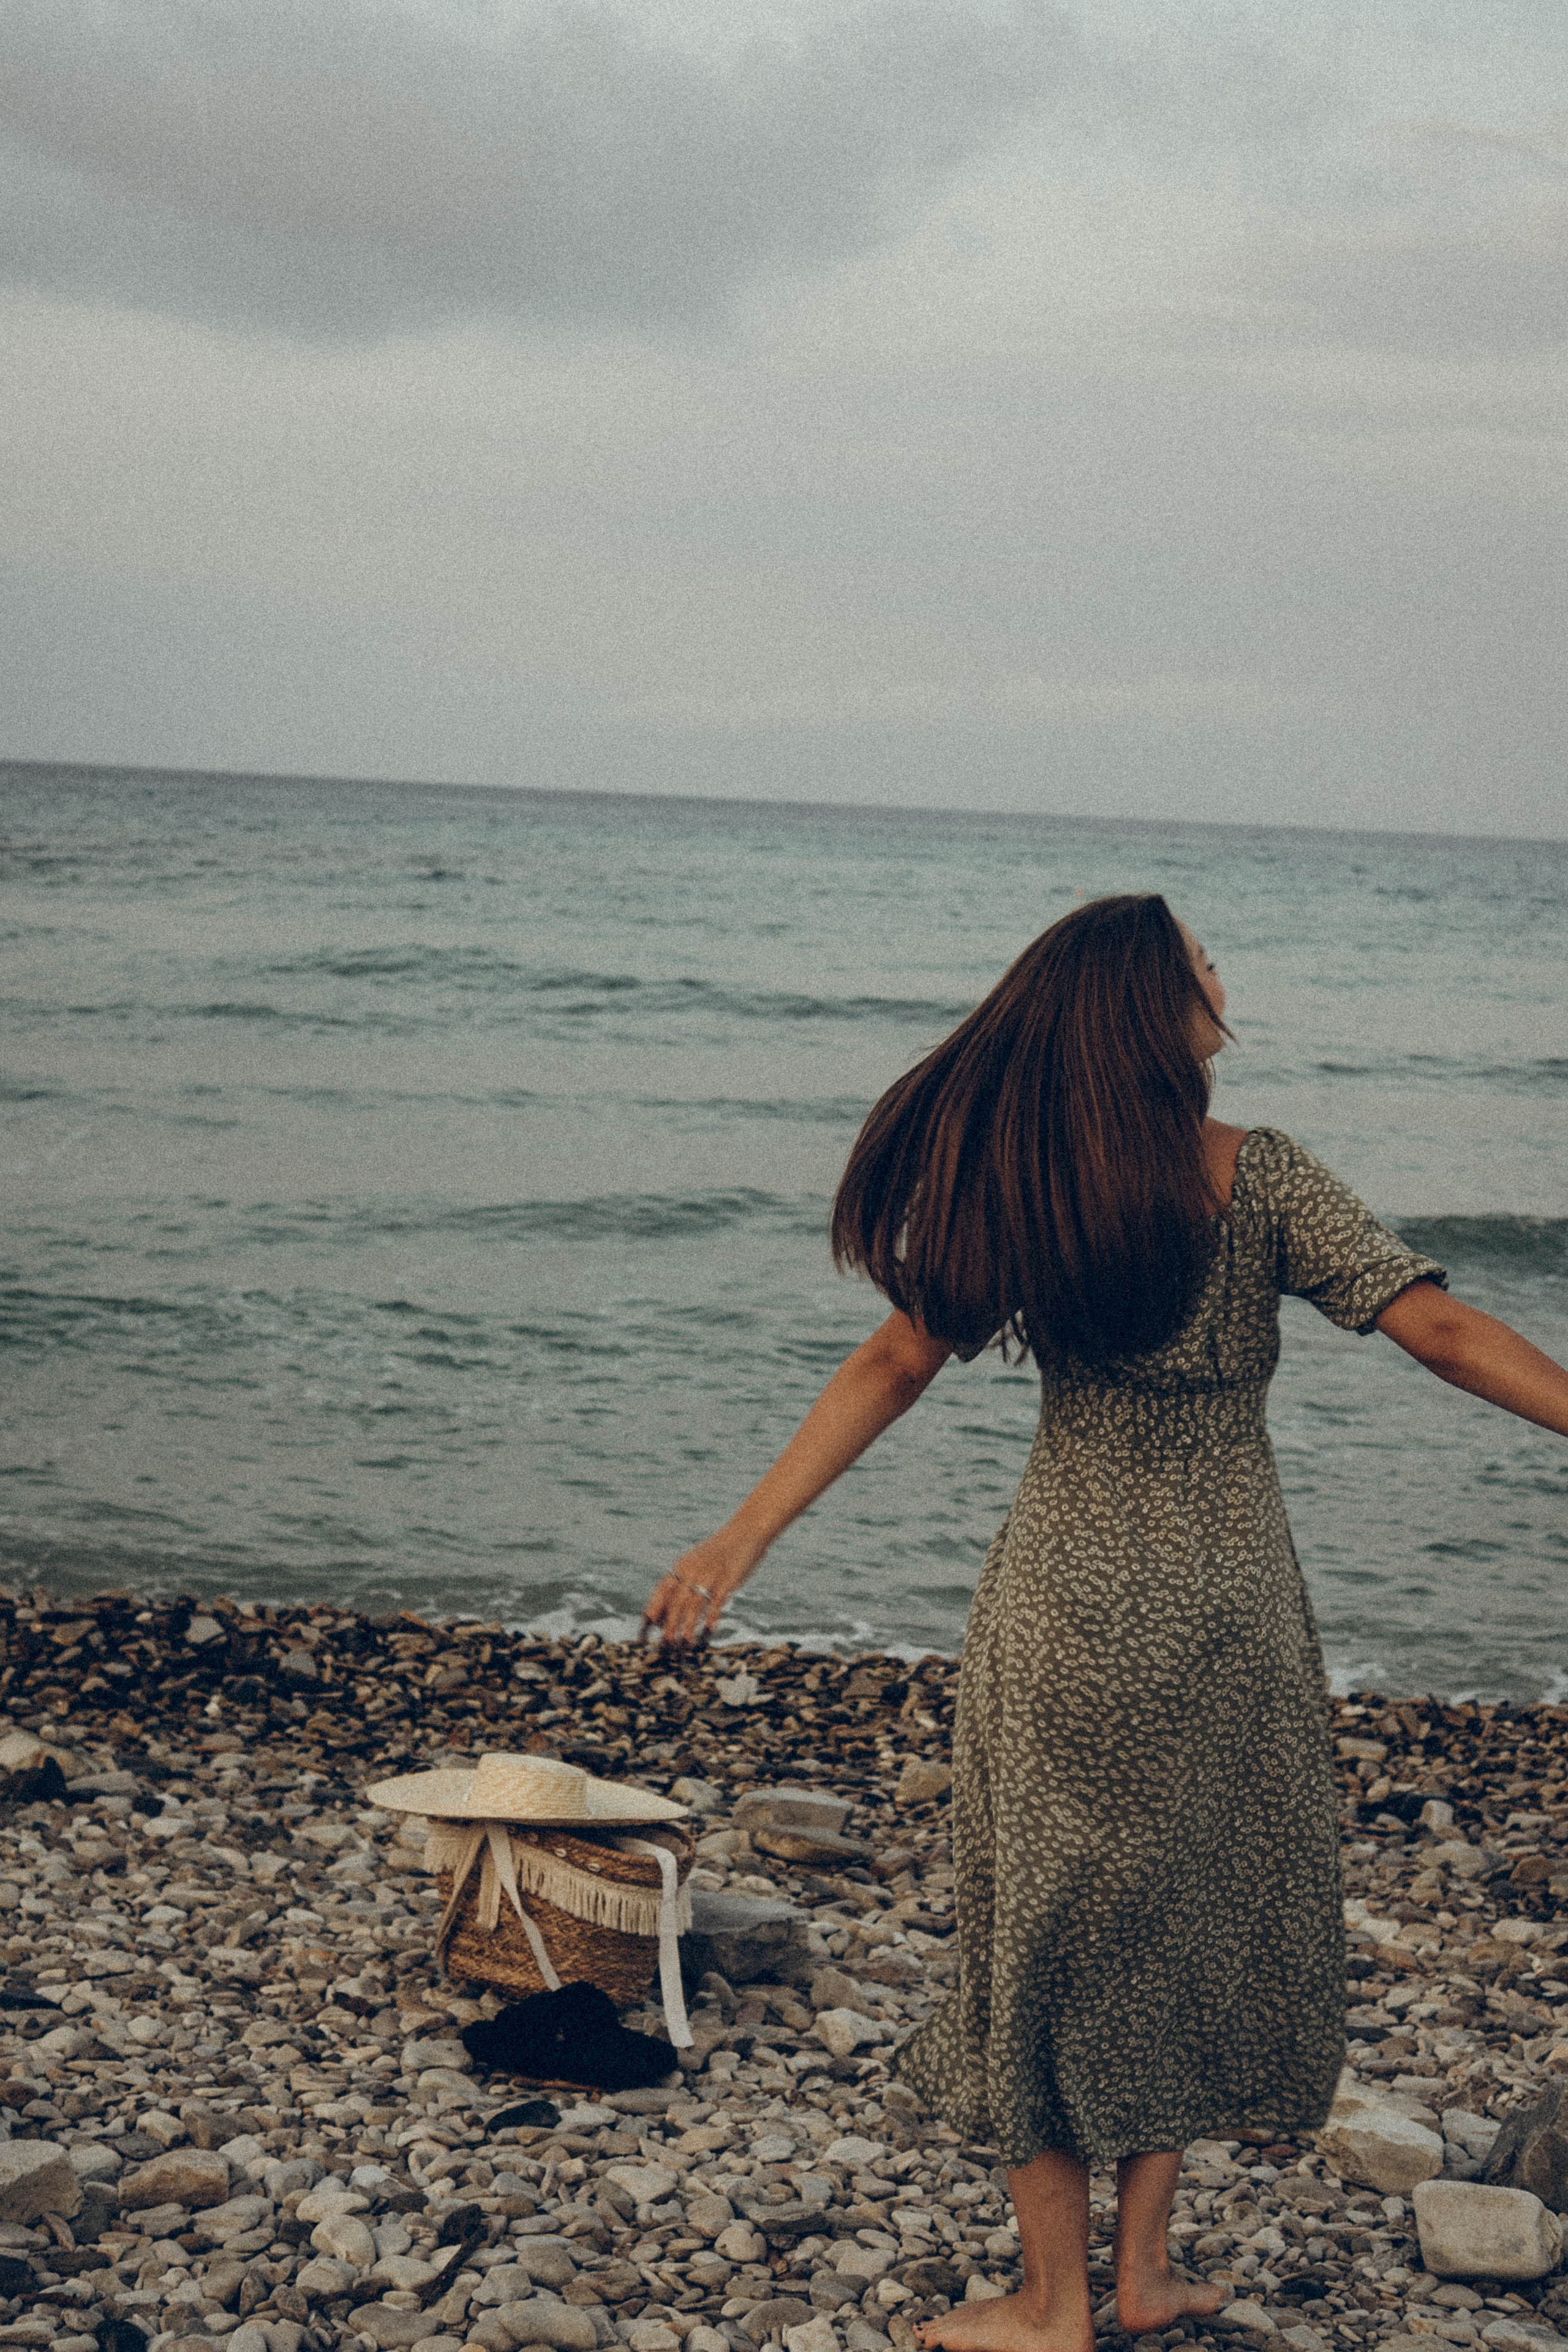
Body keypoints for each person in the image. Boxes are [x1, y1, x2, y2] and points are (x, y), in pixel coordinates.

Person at [641, 894, 1568, 2352]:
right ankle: (1123, 2279)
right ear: (1155, 1006)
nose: (1221, 972)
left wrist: (732, 1542)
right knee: (1180, 1923)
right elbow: (1437, 1328)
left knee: (1043, 1937)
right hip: (1228, 1612)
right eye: (1202, 958)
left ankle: (1060, 2299)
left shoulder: (1032, 1192)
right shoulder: (1257, 1176)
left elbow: (891, 1364)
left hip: (1068, 1609)